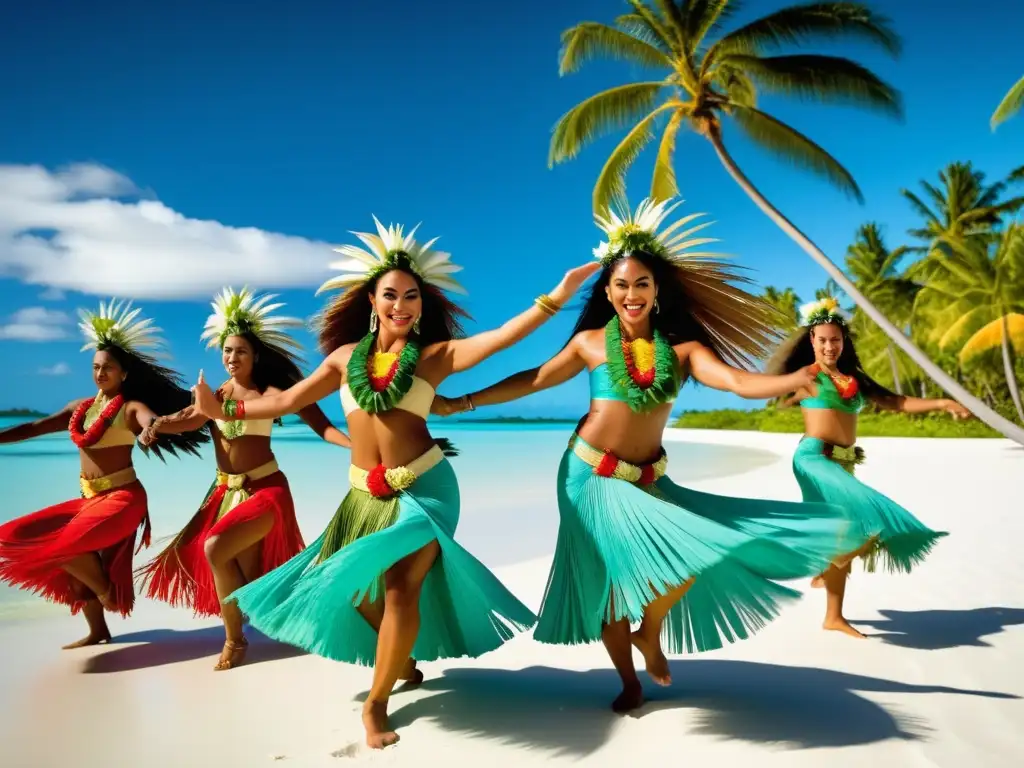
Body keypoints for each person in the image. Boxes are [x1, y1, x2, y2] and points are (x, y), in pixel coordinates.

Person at [433, 198, 865, 713]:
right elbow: (536, 379)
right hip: (587, 476)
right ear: (608, 292)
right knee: (612, 588)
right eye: (621, 285)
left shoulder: (684, 351)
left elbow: (735, 381)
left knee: (693, 556)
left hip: (647, 480)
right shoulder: (591, 342)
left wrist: (792, 378)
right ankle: (628, 681)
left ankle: (650, 633)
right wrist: (464, 401)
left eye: (641, 284)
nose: (631, 294)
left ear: (657, 290)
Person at [190, 217, 598, 748]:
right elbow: (288, 402)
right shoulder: (342, 361)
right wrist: (223, 405)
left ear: (422, 305)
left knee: (401, 589)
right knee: (359, 592)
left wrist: (556, 297)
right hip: (362, 495)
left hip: (425, 489)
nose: (401, 305)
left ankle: (376, 704)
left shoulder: (435, 356)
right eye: (390, 295)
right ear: (372, 303)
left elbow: (501, 339)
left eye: (412, 296)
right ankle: (401, 658)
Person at [135, 287, 350, 670]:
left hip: (266, 491)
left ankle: (235, 642)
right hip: (223, 494)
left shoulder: (273, 392)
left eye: (241, 351)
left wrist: (356, 446)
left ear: (256, 356)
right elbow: (189, 418)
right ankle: (311, 616)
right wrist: (154, 427)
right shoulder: (216, 394)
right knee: (253, 575)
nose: (232, 358)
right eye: (227, 351)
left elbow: (322, 426)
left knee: (215, 548)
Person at [0, 300, 208, 648]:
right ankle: (98, 630)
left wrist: (150, 430)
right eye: (96, 367)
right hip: (89, 498)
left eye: (108, 367)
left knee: (64, 546)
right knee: (11, 535)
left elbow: (149, 421)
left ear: (124, 373)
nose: (100, 373)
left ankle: (105, 591)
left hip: (123, 500)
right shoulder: (78, 408)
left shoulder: (130, 407)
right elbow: (35, 426)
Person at [767, 296, 970, 638]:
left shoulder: (853, 379)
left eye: (836, 339)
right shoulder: (806, 377)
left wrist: (943, 401)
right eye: (822, 340)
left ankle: (833, 613)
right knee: (863, 525)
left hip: (844, 464)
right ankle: (822, 562)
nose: (830, 346)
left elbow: (895, 402)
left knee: (841, 535)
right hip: (814, 460)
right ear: (811, 341)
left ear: (844, 342)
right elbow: (767, 389)